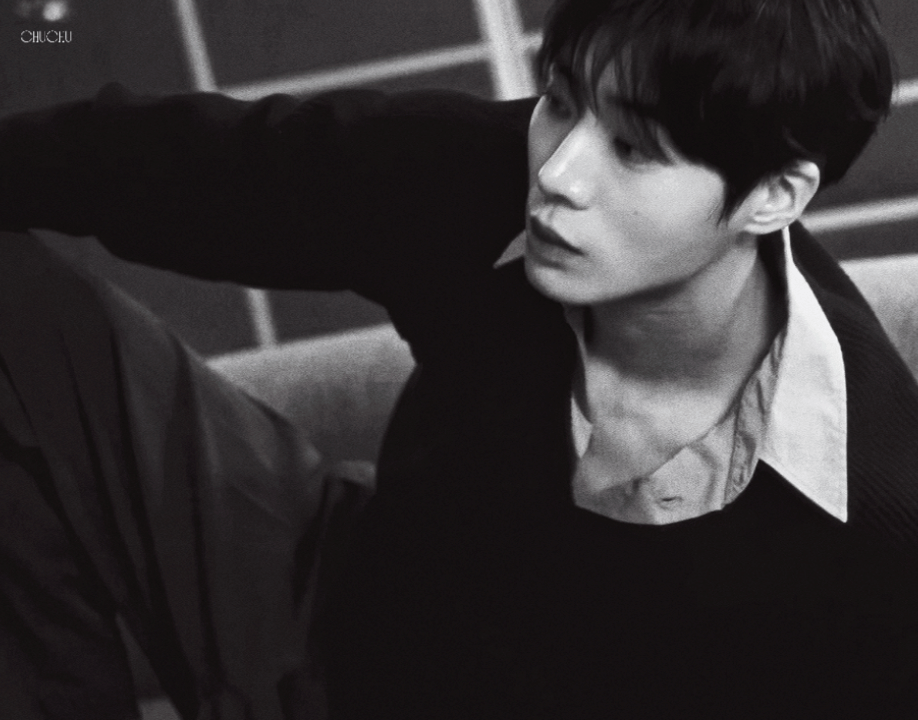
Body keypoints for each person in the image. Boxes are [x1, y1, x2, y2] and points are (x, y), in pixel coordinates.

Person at [1, 0, 916, 717]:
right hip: (333, 596)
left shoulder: (870, 520)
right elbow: (186, 165)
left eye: (634, 148)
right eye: (562, 100)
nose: (558, 173)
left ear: (772, 196)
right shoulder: (488, 173)